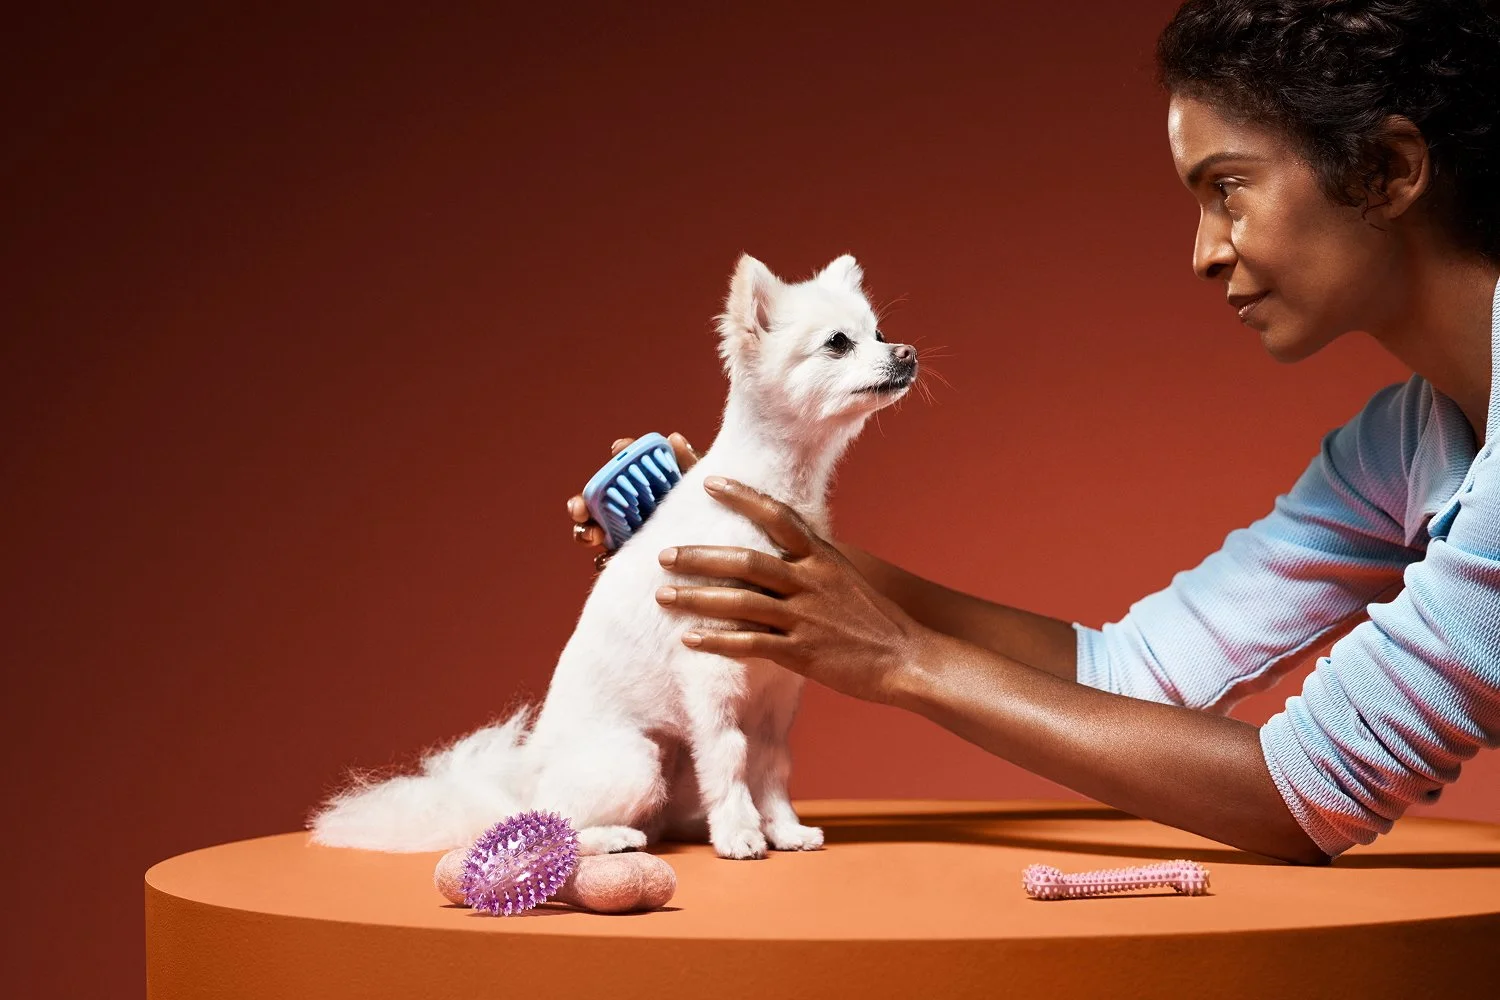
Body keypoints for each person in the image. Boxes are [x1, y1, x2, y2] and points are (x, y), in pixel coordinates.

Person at [565, 0, 1500, 865]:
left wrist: (904, 661)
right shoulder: (1405, 444)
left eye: (1228, 190)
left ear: (1387, 170)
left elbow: (1311, 793)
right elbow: (1136, 674)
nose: (1204, 250)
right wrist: (747, 541)